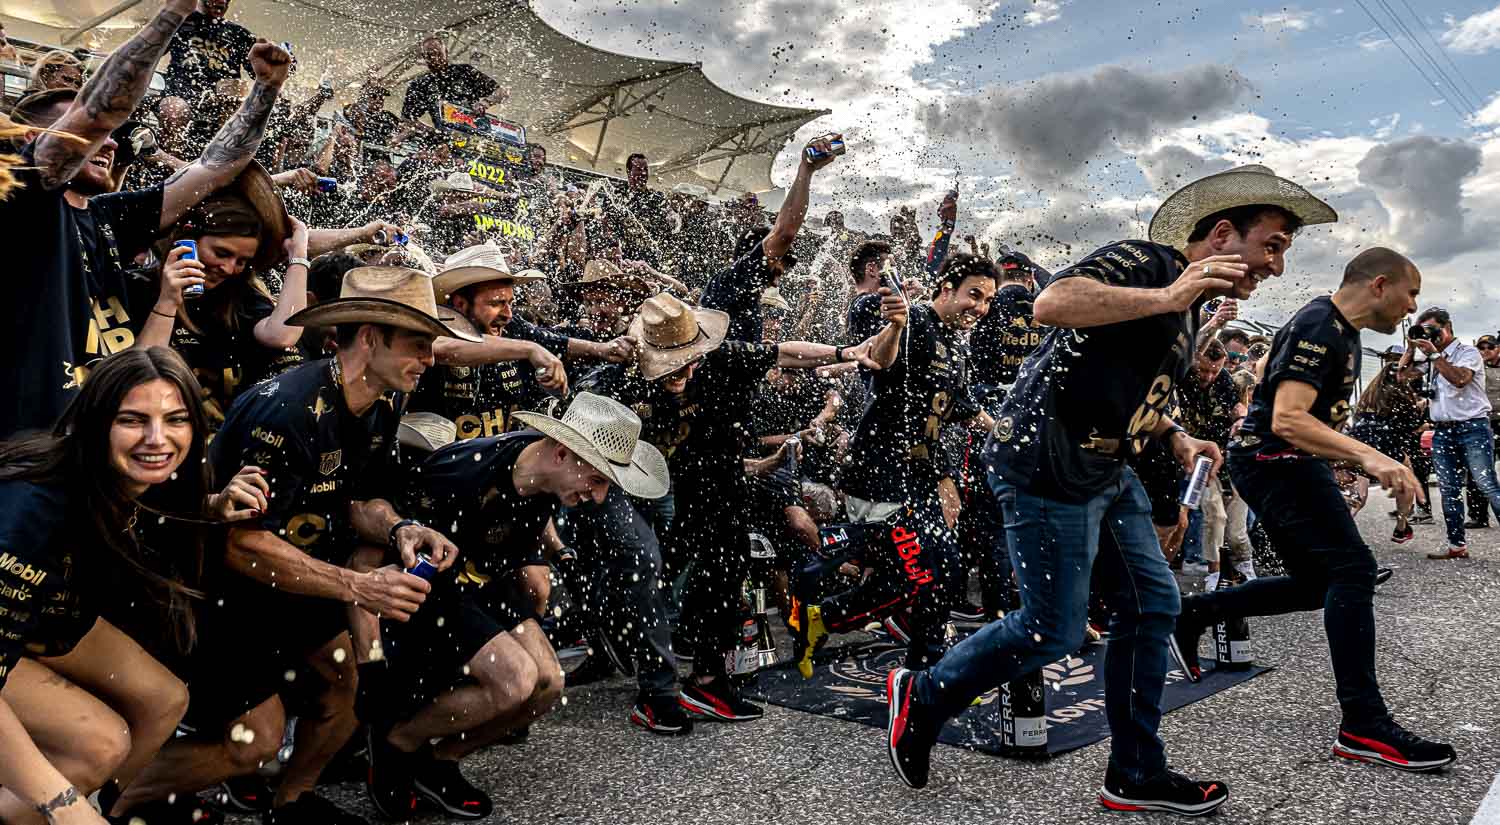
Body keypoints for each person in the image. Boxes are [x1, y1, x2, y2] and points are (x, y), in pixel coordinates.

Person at [886, 164, 1341, 816]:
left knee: (1154, 605)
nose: (1276, 263)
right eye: (1271, 244)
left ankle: (1134, 769)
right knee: (1053, 629)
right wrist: (1167, 295)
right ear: (1221, 234)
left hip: (1109, 468)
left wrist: (1180, 435)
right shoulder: (1151, 263)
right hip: (1045, 460)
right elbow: (1054, 303)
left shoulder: (1188, 314)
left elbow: (1136, 395)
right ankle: (925, 693)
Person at [120, 267, 476, 825]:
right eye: (418, 344)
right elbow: (240, 543)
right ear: (370, 338)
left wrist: (398, 529)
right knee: (252, 743)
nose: (430, 358)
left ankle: (292, 804)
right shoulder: (287, 409)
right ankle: (108, 800)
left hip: (296, 581)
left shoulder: (384, 403)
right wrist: (358, 585)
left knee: (347, 688)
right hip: (221, 594)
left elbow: (360, 498)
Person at [1173, 247, 1458, 773]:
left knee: (1314, 585)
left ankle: (1197, 612)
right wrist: (1371, 457)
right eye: (1411, 292)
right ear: (1378, 284)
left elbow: (1269, 378)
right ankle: (1363, 725)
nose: (1412, 308)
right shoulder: (1319, 324)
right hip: (1271, 460)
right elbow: (1286, 418)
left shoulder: (1338, 329)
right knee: (1353, 571)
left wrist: (1341, 458)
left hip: (1285, 462)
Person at [580, 289, 903, 721]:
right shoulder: (619, 378)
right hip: (646, 487)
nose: (683, 371)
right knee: (651, 574)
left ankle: (708, 681)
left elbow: (785, 353)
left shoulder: (723, 356)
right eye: (671, 365)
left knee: (724, 573)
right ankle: (648, 682)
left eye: (689, 360)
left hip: (721, 483)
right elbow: (585, 433)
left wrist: (845, 350)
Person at [363, 393, 669, 817]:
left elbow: (528, 520)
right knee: (515, 681)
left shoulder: (547, 475)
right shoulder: (463, 471)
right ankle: (396, 741)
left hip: (487, 579)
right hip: (436, 583)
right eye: (597, 480)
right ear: (562, 453)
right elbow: (387, 526)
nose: (598, 496)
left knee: (548, 684)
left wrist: (543, 561)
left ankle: (441, 761)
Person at [0, 348, 270, 825]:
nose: (157, 438)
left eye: (176, 419)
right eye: (133, 419)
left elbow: (146, 516)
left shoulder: (145, 476)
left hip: (45, 620)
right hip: (15, 627)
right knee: (101, 745)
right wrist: (63, 807)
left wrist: (212, 506)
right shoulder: (31, 515)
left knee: (163, 700)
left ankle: (105, 811)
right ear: (96, 422)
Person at [0, 10, 293, 440]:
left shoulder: (105, 216)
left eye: (114, 135)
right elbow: (97, 112)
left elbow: (215, 169)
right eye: (95, 135)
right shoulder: (20, 202)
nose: (112, 142)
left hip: (93, 443)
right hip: (28, 448)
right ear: (34, 141)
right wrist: (177, 10)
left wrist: (265, 89)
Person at [795, 253, 998, 677]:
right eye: (973, 295)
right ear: (947, 289)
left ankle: (825, 616)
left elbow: (957, 407)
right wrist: (896, 325)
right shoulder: (916, 321)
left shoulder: (955, 343)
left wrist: (1003, 433)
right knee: (934, 570)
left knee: (922, 575)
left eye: (987, 300)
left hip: (918, 478)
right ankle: (928, 671)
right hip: (880, 477)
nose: (979, 307)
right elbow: (880, 362)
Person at [135, 163, 308, 428]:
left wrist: (298, 257)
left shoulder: (239, 296)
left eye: (242, 261)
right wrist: (168, 301)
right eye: (222, 253)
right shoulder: (141, 285)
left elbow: (283, 334)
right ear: (188, 240)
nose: (229, 269)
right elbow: (140, 374)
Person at [1400, 307, 1498, 559]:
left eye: (1433, 329)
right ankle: (1457, 546)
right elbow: (1402, 376)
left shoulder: (1468, 353)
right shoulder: (1431, 359)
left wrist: (1433, 355)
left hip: (1472, 427)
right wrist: (1411, 349)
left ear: (1447, 327)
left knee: (1486, 484)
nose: (1430, 335)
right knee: (1448, 489)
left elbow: (1459, 379)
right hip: (1442, 430)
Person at [1177, 339, 1252, 589]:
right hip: (1200, 459)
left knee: (1237, 529)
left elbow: (1237, 406)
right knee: (1213, 515)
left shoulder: (1225, 382)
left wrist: (1241, 419)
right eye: (1204, 369)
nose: (1208, 376)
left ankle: (1244, 566)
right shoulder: (1182, 378)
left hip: (1232, 458)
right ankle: (1214, 572)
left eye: (1215, 370)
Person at [157, 0, 257, 153]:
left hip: (220, 106)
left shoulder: (239, 34)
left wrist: (278, 61)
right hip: (180, 96)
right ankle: (171, 163)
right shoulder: (180, 23)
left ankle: (223, 156)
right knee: (174, 109)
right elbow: (147, 55)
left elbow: (260, 73)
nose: (222, 1)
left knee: (237, 87)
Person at [1349, 362, 1428, 543]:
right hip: (1385, 445)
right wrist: (1423, 416)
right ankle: (1401, 525)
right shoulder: (1399, 393)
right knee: (1406, 478)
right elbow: (1411, 426)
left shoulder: (1369, 394)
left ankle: (1341, 523)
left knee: (1358, 493)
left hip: (1358, 444)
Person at [400, 33, 507, 129]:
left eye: (438, 54)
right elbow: (407, 119)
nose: (435, 59)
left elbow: (501, 92)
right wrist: (431, 132)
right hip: (448, 135)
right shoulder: (419, 84)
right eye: (430, 56)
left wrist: (484, 104)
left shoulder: (464, 71)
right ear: (424, 57)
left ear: (446, 52)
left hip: (478, 129)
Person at [1461, 333, 1500, 528]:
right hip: (1482, 422)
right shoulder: (1473, 367)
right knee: (1478, 469)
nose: (1485, 351)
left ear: (1498, 348)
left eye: (1489, 347)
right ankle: (1478, 515)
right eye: (1481, 348)